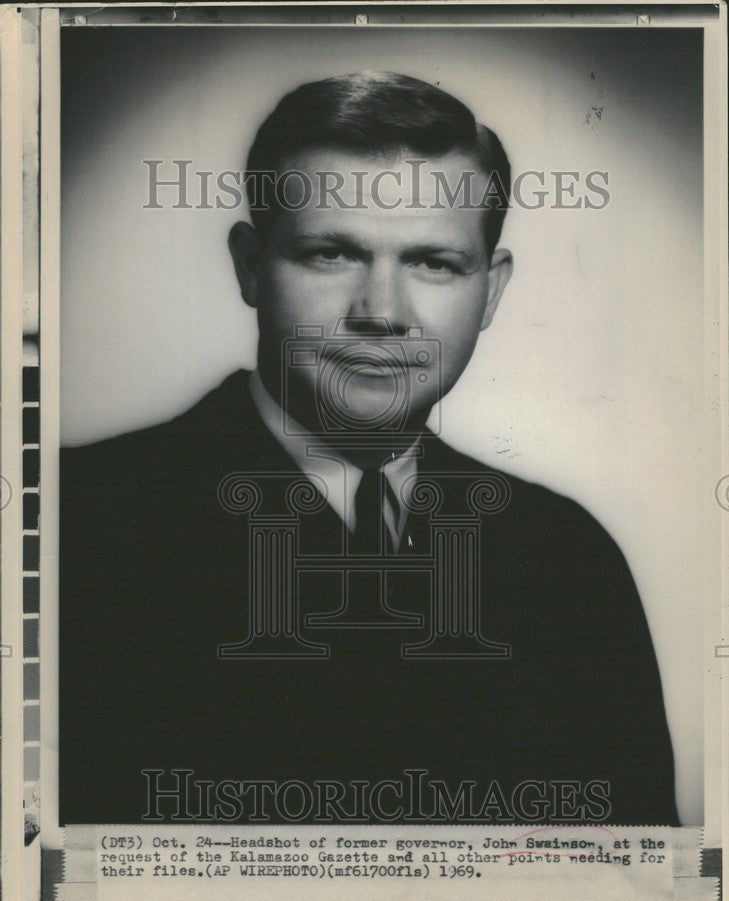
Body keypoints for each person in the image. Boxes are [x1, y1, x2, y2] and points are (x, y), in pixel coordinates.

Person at [60, 72, 678, 825]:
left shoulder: (567, 560)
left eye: (433, 263)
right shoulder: (75, 527)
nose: (381, 313)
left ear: (489, 291)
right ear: (251, 266)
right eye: (330, 254)